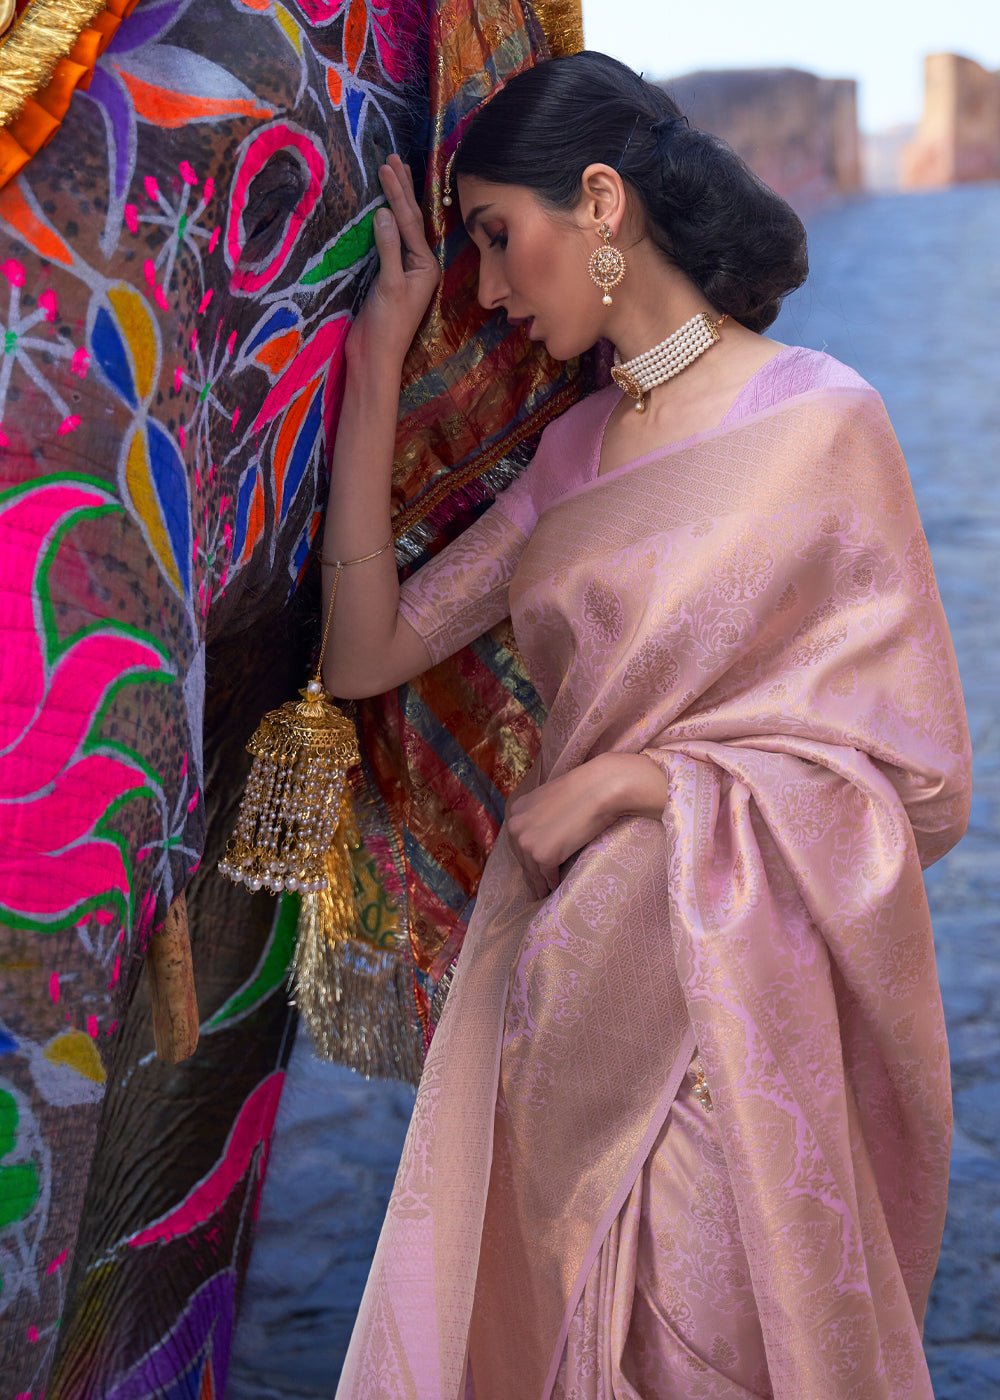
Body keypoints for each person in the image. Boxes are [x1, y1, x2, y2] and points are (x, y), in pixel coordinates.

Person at [323, 51, 970, 1400]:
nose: (488, 290)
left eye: (500, 238)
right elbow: (367, 652)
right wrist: (376, 366)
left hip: (735, 1020)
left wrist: (638, 783)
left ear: (602, 202)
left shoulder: (821, 425)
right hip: (566, 1001)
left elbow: (918, 786)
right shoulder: (566, 464)